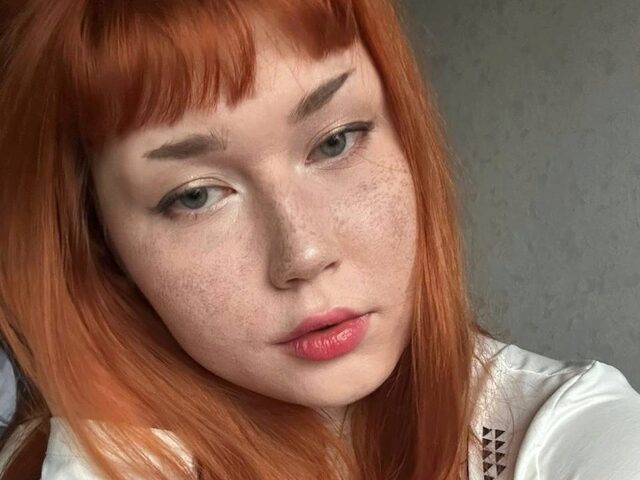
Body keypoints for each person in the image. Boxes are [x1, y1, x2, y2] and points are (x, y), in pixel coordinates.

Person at [0, 1, 638, 479]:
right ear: (100, 244)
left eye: (335, 141)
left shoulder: (566, 437)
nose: (304, 254)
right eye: (195, 195)